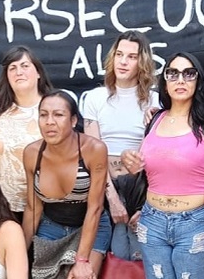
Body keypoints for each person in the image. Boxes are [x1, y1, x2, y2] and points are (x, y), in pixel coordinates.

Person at [120, 52, 204, 279]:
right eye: (172, 74)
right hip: (152, 221)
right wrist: (129, 157)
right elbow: (144, 162)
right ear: (164, 81)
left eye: (189, 73)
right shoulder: (155, 119)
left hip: (195, 223)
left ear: (198, 80)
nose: (181, 80)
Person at [81, 30, 157, 261]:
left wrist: (145, 204)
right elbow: (92, 154)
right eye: (119, 54)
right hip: (103, 185)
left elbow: (154, 155)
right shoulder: (94, 98)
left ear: (142, 62)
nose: (123, 61)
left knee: (138, 255)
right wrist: (112, 198)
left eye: (132, 57)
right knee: (109, 254)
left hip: (141, 188)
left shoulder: (154, 100)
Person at [23, 90, 109, 279]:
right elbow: (33, 207)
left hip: (91, 225)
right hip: (51, 225)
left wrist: (82, 260)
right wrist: (20, 254)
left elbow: (95, 208)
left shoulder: (94, 150)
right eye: (43, 115)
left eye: (58, 115)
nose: (49, 122)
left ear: (72, 121)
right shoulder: (32, 153)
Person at [0, 46, 53, 222]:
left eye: (24, 66)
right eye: (12, 68)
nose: (18, 72)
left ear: (38, 72)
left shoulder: (53, 107)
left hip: (44, 207)